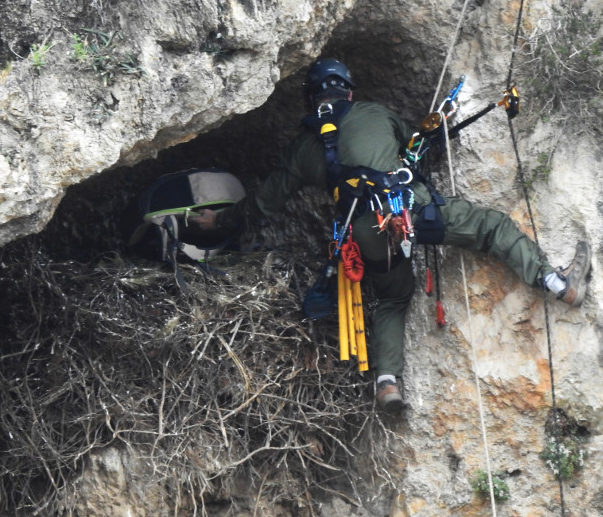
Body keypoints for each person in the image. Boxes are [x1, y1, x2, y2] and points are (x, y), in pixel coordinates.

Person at [193, 58, 592, 414]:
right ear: (348, 90)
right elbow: (415, 148)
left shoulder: (301, 150)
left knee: (393, 296)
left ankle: (387, 383)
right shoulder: (373, 112)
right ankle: (558, 284)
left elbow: (264, 203)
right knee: (491, 227)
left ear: (311, 98)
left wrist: (221, 223)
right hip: (409, 210)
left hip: (364, 232)